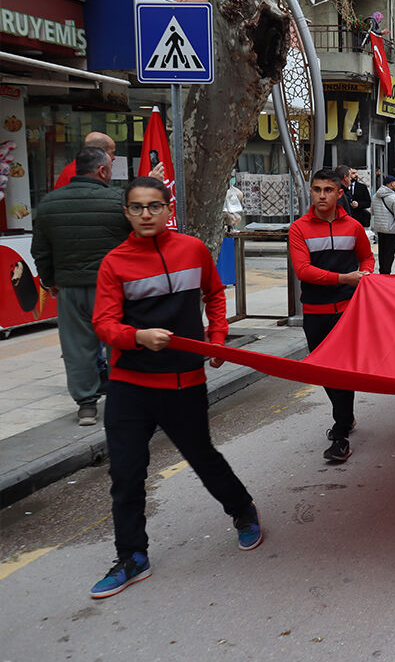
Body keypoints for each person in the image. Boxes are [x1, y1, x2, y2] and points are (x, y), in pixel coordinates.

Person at [88, 177, 261, 599]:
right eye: (136, 207)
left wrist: (218, 339)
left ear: (169, 210)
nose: (146, 214)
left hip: (184, 382)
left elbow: (215, 294)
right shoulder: (114, 263)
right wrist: (137, 338)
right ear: (126, 213)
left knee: (202, 457)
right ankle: (132, 556)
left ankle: (243, 511)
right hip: (130, 385)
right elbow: (104, 324)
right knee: (126, 475)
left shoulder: (193, 250)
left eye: (154, 206)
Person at [31, 147, 132, 425]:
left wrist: (50, 281)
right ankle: (122, 397)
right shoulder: (118, 200)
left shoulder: (50, 203)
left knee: (77, 346)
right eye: (110, 167)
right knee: (118, 340)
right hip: (113, 287)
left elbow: (40, 250)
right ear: (101, 170)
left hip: (71, 288)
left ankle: (86, 405)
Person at [289, 168, 374, 463]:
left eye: (328, 190)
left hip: (349, 312)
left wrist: (367, 275)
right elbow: (304, 271)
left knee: (343, 370)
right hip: (315, 313)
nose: (321, 195)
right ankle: (346, 415)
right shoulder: (298, 228)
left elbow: (366, 256)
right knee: (325, 371)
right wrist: (345, 279)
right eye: (317, 190)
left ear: (340, 194)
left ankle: (340, 433)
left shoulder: (353, 226)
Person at [371, 176, 395, 274]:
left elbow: (373, 212)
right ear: (391, 184)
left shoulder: (375, 196)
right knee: (389, 253)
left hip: (379, 228)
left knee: (381, 252)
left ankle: (382, 271)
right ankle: (386, 273)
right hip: (391, 229)